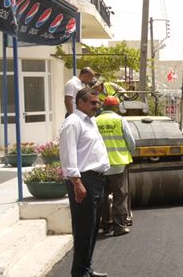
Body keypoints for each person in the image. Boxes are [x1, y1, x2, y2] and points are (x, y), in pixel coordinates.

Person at [60, 88, 110, 277]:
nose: (96, 106)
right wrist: (77, 183)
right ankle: (79, 272)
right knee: (83, 228)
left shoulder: (90, 121)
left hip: (95, 179)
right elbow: (68, 155)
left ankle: (86, 268)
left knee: (92, 228)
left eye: (97, 102)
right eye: (92, 103)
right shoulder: (73, 122)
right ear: (80, 102)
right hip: (83, 179)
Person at [96, 96, 136, 237]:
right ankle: (119, 226)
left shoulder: (95, 121)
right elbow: (131, 142)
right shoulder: (119, 120)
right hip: (118, 163)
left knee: (104, 196)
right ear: (115, 107)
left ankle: (106, 225)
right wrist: (129, 152)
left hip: (100, 165)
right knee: (120, 195)